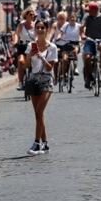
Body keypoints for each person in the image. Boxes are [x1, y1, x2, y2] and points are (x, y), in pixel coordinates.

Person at [25, 20, 57, 154]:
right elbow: (27, 66)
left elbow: (50, 68)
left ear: (46, 29)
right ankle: (45, 143)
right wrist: (29, 56)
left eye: (42, 28)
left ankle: (37, 143)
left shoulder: (52, 47)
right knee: (38, 114)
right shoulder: (30, 46)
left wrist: (42, 58)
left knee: (39, 112)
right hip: (33, 79)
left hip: (46, 79)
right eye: (37, 28)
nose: (39, 30)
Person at [81, 2, 101, 89]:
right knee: (87, 57)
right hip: (90, 40)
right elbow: (82, 26)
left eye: (90, 10)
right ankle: (88, 77)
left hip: (100, 39)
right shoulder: (86, 17)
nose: (89, 12)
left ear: (96, 10)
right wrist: (82, 34)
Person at [13, 8, 37, 91]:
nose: (32, 16)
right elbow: (16, 34)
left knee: (36, 62)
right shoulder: (21, 25)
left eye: (33, 15)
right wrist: (15, 42)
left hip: (33, 46)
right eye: (30, 14)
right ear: (26, 15)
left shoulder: (36, 25)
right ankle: (20, 82)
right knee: (20, 61)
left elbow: (39, 36)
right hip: (23, 45)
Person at [55, 11, 81, 82]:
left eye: (73, 18)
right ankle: (64, 74)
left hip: (76, 43)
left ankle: (75, 68)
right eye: (71, 18)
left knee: (75, 51)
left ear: (76, 18)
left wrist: (83, 37)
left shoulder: (78, 26)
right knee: (64, 59)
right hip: (66, 44)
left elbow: (82, 33)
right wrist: (58, 37)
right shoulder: (66, 26)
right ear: (68, 19)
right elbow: (61, 33)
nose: (72, 19)